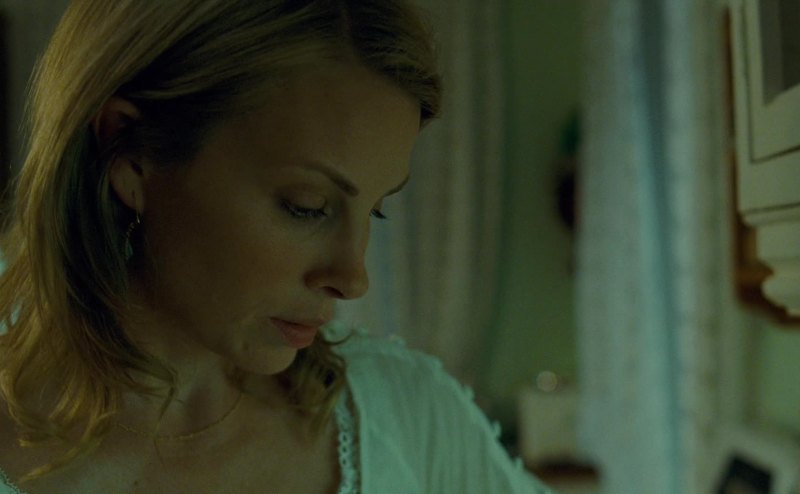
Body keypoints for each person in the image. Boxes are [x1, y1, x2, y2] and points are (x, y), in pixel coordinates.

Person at [0, 1, 555, 492]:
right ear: (129, 152)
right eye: (306, 205)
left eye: (375, 210)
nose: (353, 278)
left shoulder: (407, 421)